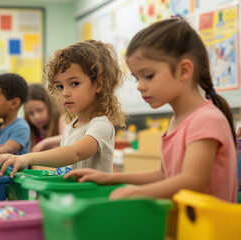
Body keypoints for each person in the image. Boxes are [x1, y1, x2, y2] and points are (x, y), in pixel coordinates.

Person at [65, 18, 237, 203]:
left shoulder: (206, 119)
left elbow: (192, 181)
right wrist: (111, 178)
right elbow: (165, 174)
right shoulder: (177, 120)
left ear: (184, 70)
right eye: (137, 78)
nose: (139, 86)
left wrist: (135, 193)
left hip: (209, 229)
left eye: (148, 76)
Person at [0, 40, 126, 177]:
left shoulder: (100, 125)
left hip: (93, 198)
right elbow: (64, 169)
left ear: (98, 84)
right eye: (60, 86)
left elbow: (75, 153)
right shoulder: (70, 127)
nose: (65, 93)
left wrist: (26, 158)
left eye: (74, 83)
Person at [24, 84, 66, 153]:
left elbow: (66, 137)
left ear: (50, 106)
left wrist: (45, 142)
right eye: (30, 113)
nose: (36, 117)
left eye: (40, 110)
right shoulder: (30, 129)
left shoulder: (61, 118)